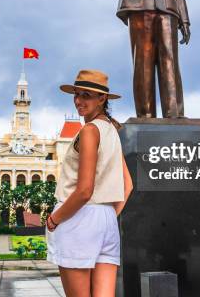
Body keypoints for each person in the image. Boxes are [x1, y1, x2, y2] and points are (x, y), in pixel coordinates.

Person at [47, 69, 134, 297]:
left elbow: (85, 191)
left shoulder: (89, 130)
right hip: (106, 220)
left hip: (77, 218)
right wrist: (104, 216)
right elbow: (128, 186)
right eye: (76, 94)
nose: (78, 100)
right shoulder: (112, 131)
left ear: (102, 98)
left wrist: (54, 220)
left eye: (86, 95)